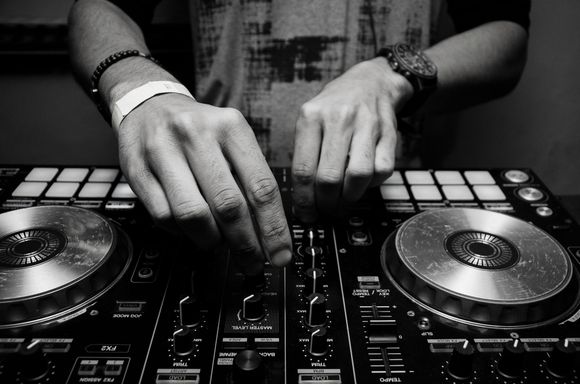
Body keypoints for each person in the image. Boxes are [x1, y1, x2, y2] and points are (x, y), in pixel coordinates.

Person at [68, 0, 530, 276]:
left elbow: (506, 36)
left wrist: (393, 76)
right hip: (200, 195)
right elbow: (98, 6)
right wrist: (141, 91)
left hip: (384, 195)